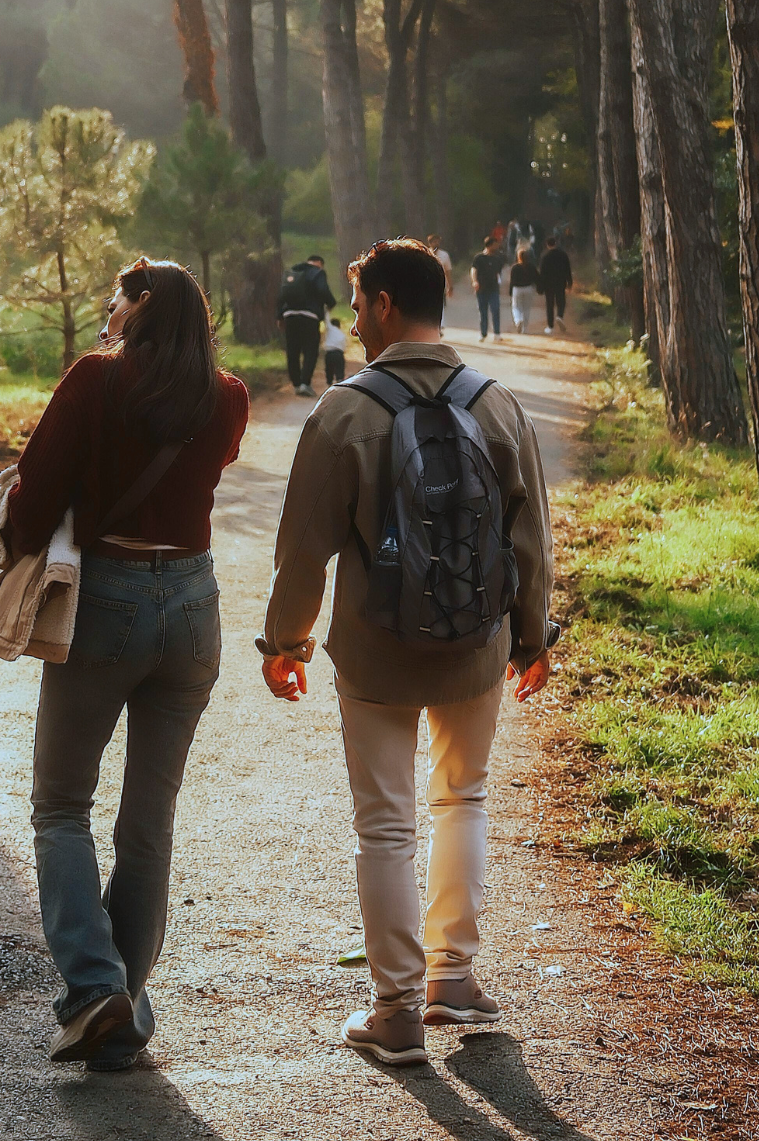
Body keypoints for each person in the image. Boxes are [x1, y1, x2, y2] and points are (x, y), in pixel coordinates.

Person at [259, 238, 556, 1066]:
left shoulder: (346, 410)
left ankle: (394, 1010)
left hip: (376, 652)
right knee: (462, 799)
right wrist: (532, 638)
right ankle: (453, 979)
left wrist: (286, 643)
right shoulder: (496, 404)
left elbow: (302, 549)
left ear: (385, 303)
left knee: (385, 824)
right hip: (475, 649)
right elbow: (532, 540)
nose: (352, 321)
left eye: (357, 305)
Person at [6, 258, 251, 1071]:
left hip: (106, 599)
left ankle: (92, 990)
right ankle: (119, 1013)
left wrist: (15, 551)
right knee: (148, 823)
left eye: (119, 297)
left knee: (61, 807)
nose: (110, 309)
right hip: (193, 606)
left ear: (140, 303)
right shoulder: (229, 395)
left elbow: (34, 499)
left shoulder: (96, 378)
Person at [278, 254, 338, 395]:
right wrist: (331, 303)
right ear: (319, 263)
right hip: (309, 316)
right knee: (310, 350)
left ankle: (296, 384)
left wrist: (279, 315)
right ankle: (305, 383)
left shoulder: (293, 272)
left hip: (290, 315)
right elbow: (323, 290)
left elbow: (281, 295)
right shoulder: (318, 272)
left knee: (292, 350)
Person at [470, 236, 505, 341]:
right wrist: (475, 281)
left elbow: (499, 273)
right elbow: (473, 270)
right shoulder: (479, 258)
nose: (497, 246)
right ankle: (483, 333)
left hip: (494, 288)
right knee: (483, 311)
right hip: (481, 288)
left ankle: (497, 333)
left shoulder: (497, 259)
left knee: (495, 309)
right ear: (489, 245)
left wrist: (500, 284)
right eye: (495, 244)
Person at [536, 236, 572, 333]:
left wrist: (540, 286)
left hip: (548, 283)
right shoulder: (563, 254)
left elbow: (542, 272)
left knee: (549, 304)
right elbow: (567, 269)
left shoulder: (544, 256)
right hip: (560, 282)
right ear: (555, 243)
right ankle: (560, 316)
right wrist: (569, 282)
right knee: (561, 301)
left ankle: (550, 326)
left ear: (547, 245)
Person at [425, 234, 453, 332]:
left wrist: (450, 286)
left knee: (440, 304)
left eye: (438, 241)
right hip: (427, 284)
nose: (437, 243)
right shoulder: (425, 253)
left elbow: (448, 271)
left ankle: (440, 326)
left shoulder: (444, 255)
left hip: (440, 283)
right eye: (434, 241)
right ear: (430, 243)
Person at [508, 248, 538, 334]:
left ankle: (518, 320)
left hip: (517, 289)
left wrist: (510, 291)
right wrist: (539, 287)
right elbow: (536, 278)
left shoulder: (515, 267)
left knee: (516, 307)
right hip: (528, 288)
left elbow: (512, 281)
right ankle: (525, 328)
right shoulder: (531, 266)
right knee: (526, 308)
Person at [322, 316, 348, 384]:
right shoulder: (342, 334)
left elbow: (326, 319)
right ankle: (340, 382)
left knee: (329, 370)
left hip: (329, 353)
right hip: (339, 354)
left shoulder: (330, 329)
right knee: (340, 371)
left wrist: (326, 309)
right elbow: (344, 347)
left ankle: (329, 383)